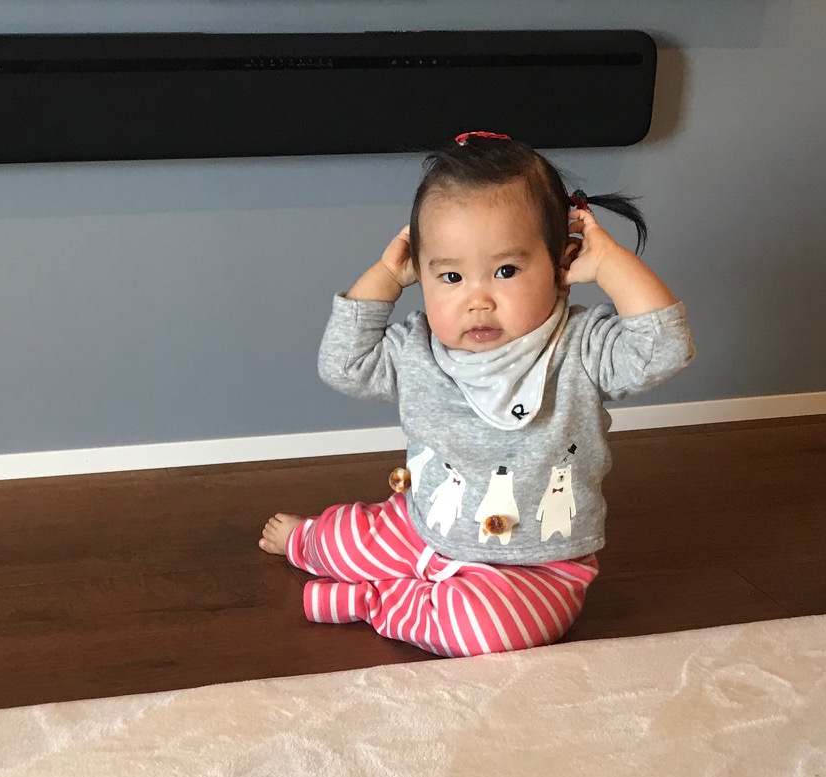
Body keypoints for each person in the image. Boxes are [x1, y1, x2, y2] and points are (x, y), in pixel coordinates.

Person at [259, 131, 695, 657]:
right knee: (347, 542)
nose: (477, 300)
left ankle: (373, 599)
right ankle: (308, 542)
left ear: (563, 262)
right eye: (450, 276)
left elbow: (665, 349)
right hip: (420, 527)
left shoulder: (582, 347)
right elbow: (343, 366)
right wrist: (385, 276)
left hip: (536, 565)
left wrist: (609, 264)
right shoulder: (417, 348)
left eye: (505, 271)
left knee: (488, 633)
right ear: (420, 273)